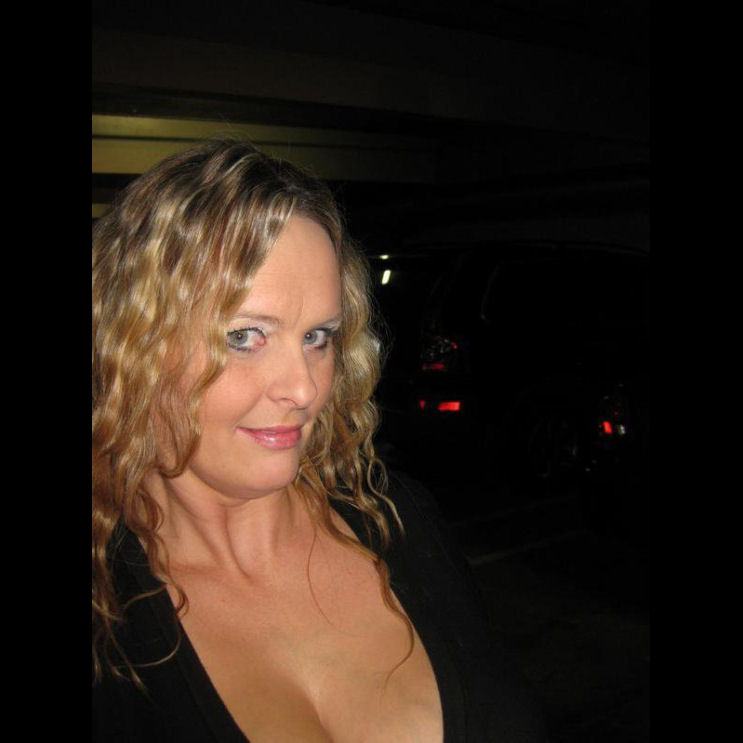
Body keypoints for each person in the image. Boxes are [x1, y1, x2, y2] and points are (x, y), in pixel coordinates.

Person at [92, 139, 546, 742]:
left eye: (317, 337)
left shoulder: (401, 520)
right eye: (243, 336)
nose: (304, 388)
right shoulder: (107, 617)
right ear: (131, 343)